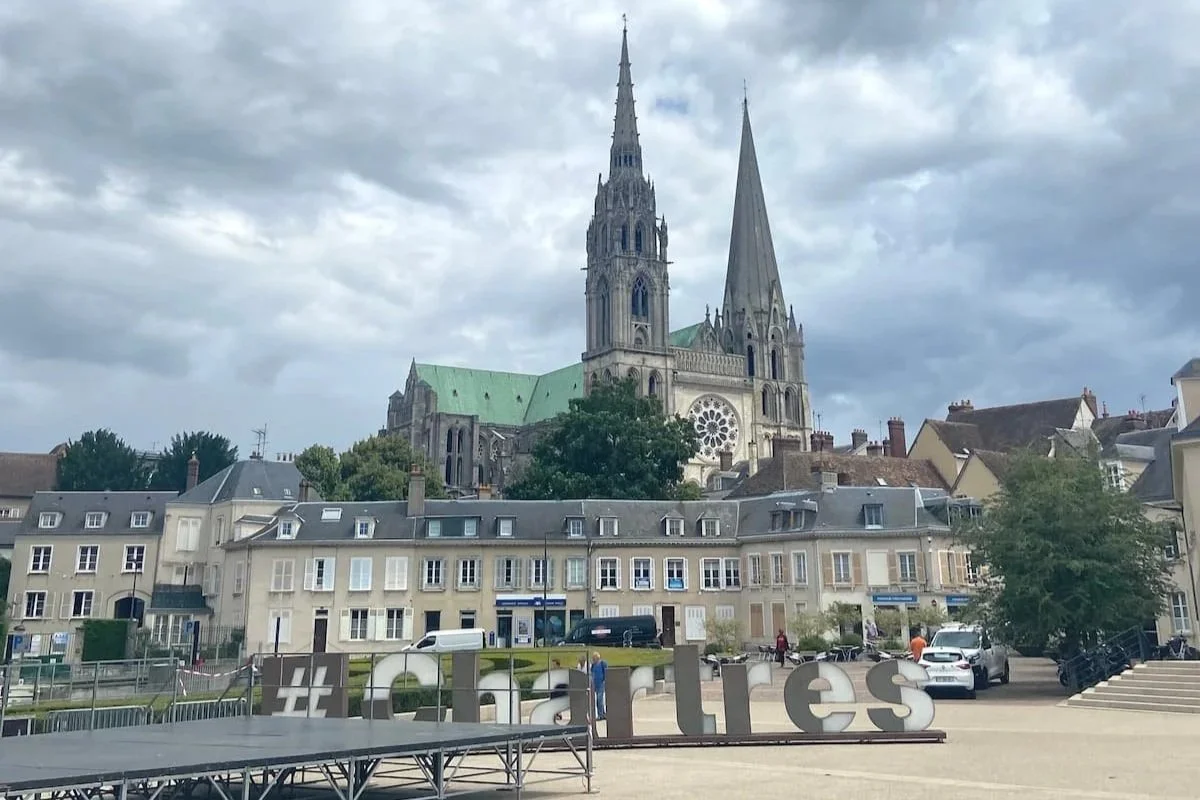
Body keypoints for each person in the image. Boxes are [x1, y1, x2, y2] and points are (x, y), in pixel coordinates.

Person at [590, 651, 608, 721]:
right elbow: (591, 673)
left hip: (601, 684)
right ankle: (602, 714)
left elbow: (606, 673)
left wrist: (604, 681)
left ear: (597, 658)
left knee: (599, 700)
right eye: (593, 658)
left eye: (594, 658)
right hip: (595, 685)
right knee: (598, 700)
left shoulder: (602, 663)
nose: (593, 660)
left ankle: (600, 715)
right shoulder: (593, 665)